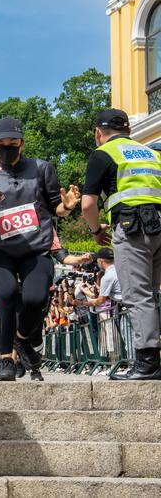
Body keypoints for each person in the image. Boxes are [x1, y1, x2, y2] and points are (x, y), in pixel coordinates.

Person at [0, 117, 79, 381]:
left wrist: (66, 206)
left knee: (35, 299)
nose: (7, 148)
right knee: (7, 294)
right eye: (1, 144)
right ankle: (6, 360)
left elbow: (56, 207)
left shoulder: (42, 168)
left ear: (22, 143)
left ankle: (22, 339)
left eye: (13, 143)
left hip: (35, 248)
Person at [81, 109, 161, 380]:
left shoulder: (103, 153)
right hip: (159, 224)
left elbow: (88, 204)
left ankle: (147, 362)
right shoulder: (151, 153)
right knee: (153, 294)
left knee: (138, 295)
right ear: (128, 130)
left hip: (132, 228)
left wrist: (95, 231)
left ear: (98, 133)